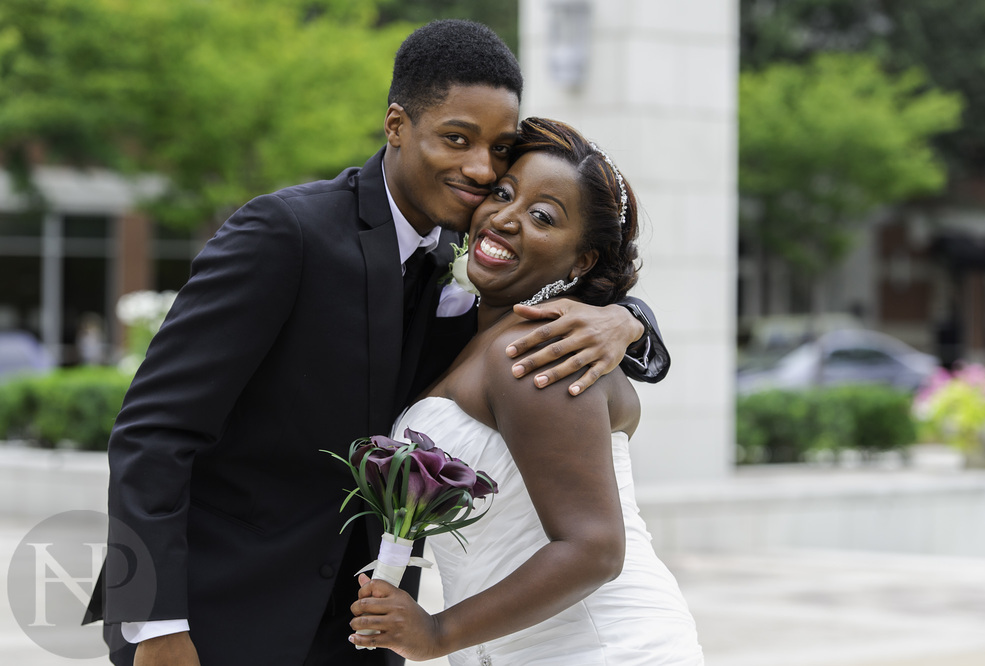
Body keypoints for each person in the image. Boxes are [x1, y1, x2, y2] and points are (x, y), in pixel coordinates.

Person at [85, 20, 669, 666]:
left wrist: (627, 318)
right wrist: (157, 625)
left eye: (499, 150)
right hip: (216, 621)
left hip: (357, 635)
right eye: (456, 139)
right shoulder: (286, 235)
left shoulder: (471, 269)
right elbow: (152, 433)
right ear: (396, 126)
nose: (480, 170)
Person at [349, 118, 704, 665]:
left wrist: (438, 633)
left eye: (542, 216)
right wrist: (629, 319)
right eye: (502, 194)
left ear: (582, 259)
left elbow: (595, 550)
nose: (506, 218)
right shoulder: (478, 332)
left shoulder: (540, 352)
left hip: (597, 647)